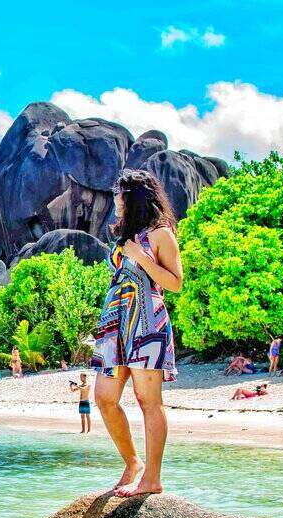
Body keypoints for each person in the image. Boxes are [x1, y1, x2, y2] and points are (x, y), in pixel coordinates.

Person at [91, 169, 183, 498]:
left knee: (148, 402)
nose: (115, 202)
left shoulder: (160, 234)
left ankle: (152, 479)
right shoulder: (125, 237)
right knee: (104, 397)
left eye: (120, 196)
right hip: (116, 323)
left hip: (147, 322)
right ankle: (133, 463)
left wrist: (143, 259)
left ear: (135, 198)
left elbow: (174, 283)